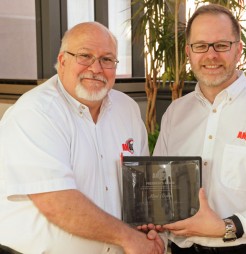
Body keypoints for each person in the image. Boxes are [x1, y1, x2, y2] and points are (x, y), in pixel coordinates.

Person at [0, 22, 164, 254]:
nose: (96, 68)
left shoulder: (126, 108)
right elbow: (57, 203)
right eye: (85, 56)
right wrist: (129, 238)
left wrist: (150, 230)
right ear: (63, 61)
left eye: (107, 59)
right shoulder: (35, 112)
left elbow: (140, 186)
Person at [152, 3, 246, 254]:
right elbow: (159, 187)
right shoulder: (175, 114)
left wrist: (227, 227)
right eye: (200, 46)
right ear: (189, 52)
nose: (211, 55)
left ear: (238, 50)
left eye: (221, 45)